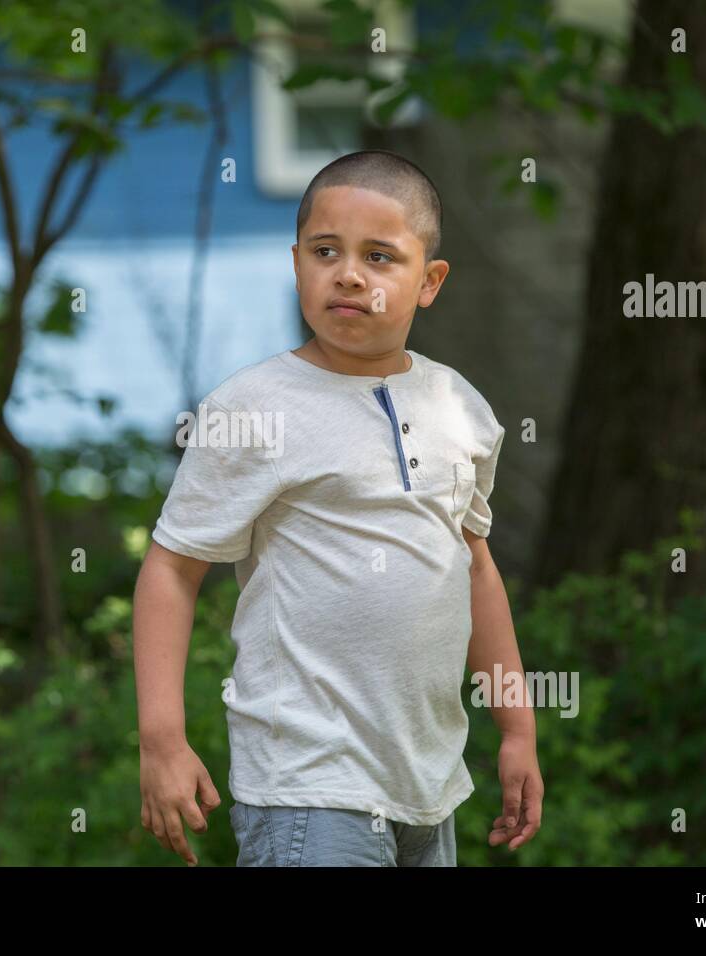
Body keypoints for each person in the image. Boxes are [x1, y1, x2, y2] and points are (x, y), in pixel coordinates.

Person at [132, 149, 543, 866]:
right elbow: (171, 570)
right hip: (308, 789)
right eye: (326, 251)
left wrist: (516, 729)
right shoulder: (253, 408)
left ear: (429, 282)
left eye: (380, 256)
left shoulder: (461, 410)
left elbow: (474, 570)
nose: (349, 273)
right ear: (297, 265)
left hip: (428, 786)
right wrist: (162, 741)